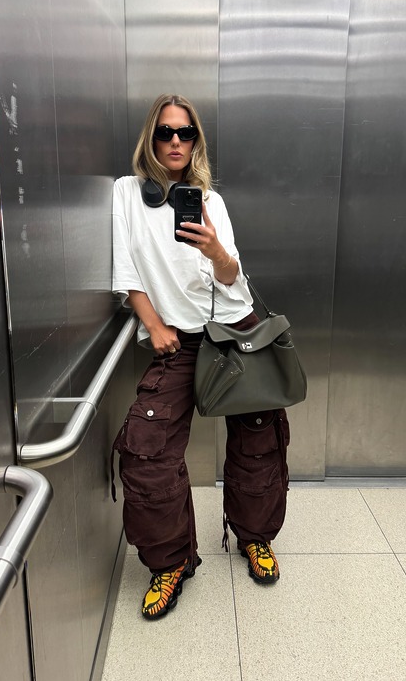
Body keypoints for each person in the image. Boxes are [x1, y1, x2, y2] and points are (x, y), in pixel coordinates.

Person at [111, 93, 290, 620]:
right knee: (146, 452)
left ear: (196, 142)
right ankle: (172, 562)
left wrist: (215, 251)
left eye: (185, 133)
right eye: (165, 132)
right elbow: (125, 271)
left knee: (259, 440)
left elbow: (232, 280)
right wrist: (153, 324)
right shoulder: (126, 194)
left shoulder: (211, 201)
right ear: (150, 137)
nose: (175, 141)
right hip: (177, 340)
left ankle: (254, 537)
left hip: (234, 332)